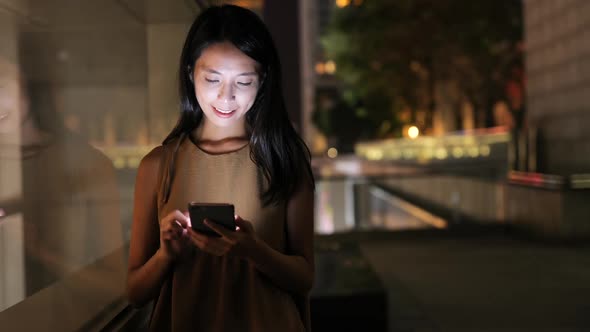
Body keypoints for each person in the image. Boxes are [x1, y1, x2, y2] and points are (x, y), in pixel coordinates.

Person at [126, 5, 315, 332]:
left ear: (263, 80)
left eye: (243, 81)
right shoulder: (158, 165)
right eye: (212, 79)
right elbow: (135, 292)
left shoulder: (284, 160)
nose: (226, 97)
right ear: (190, 72)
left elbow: (304, 278)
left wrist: (254, 250)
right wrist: (166, 255)